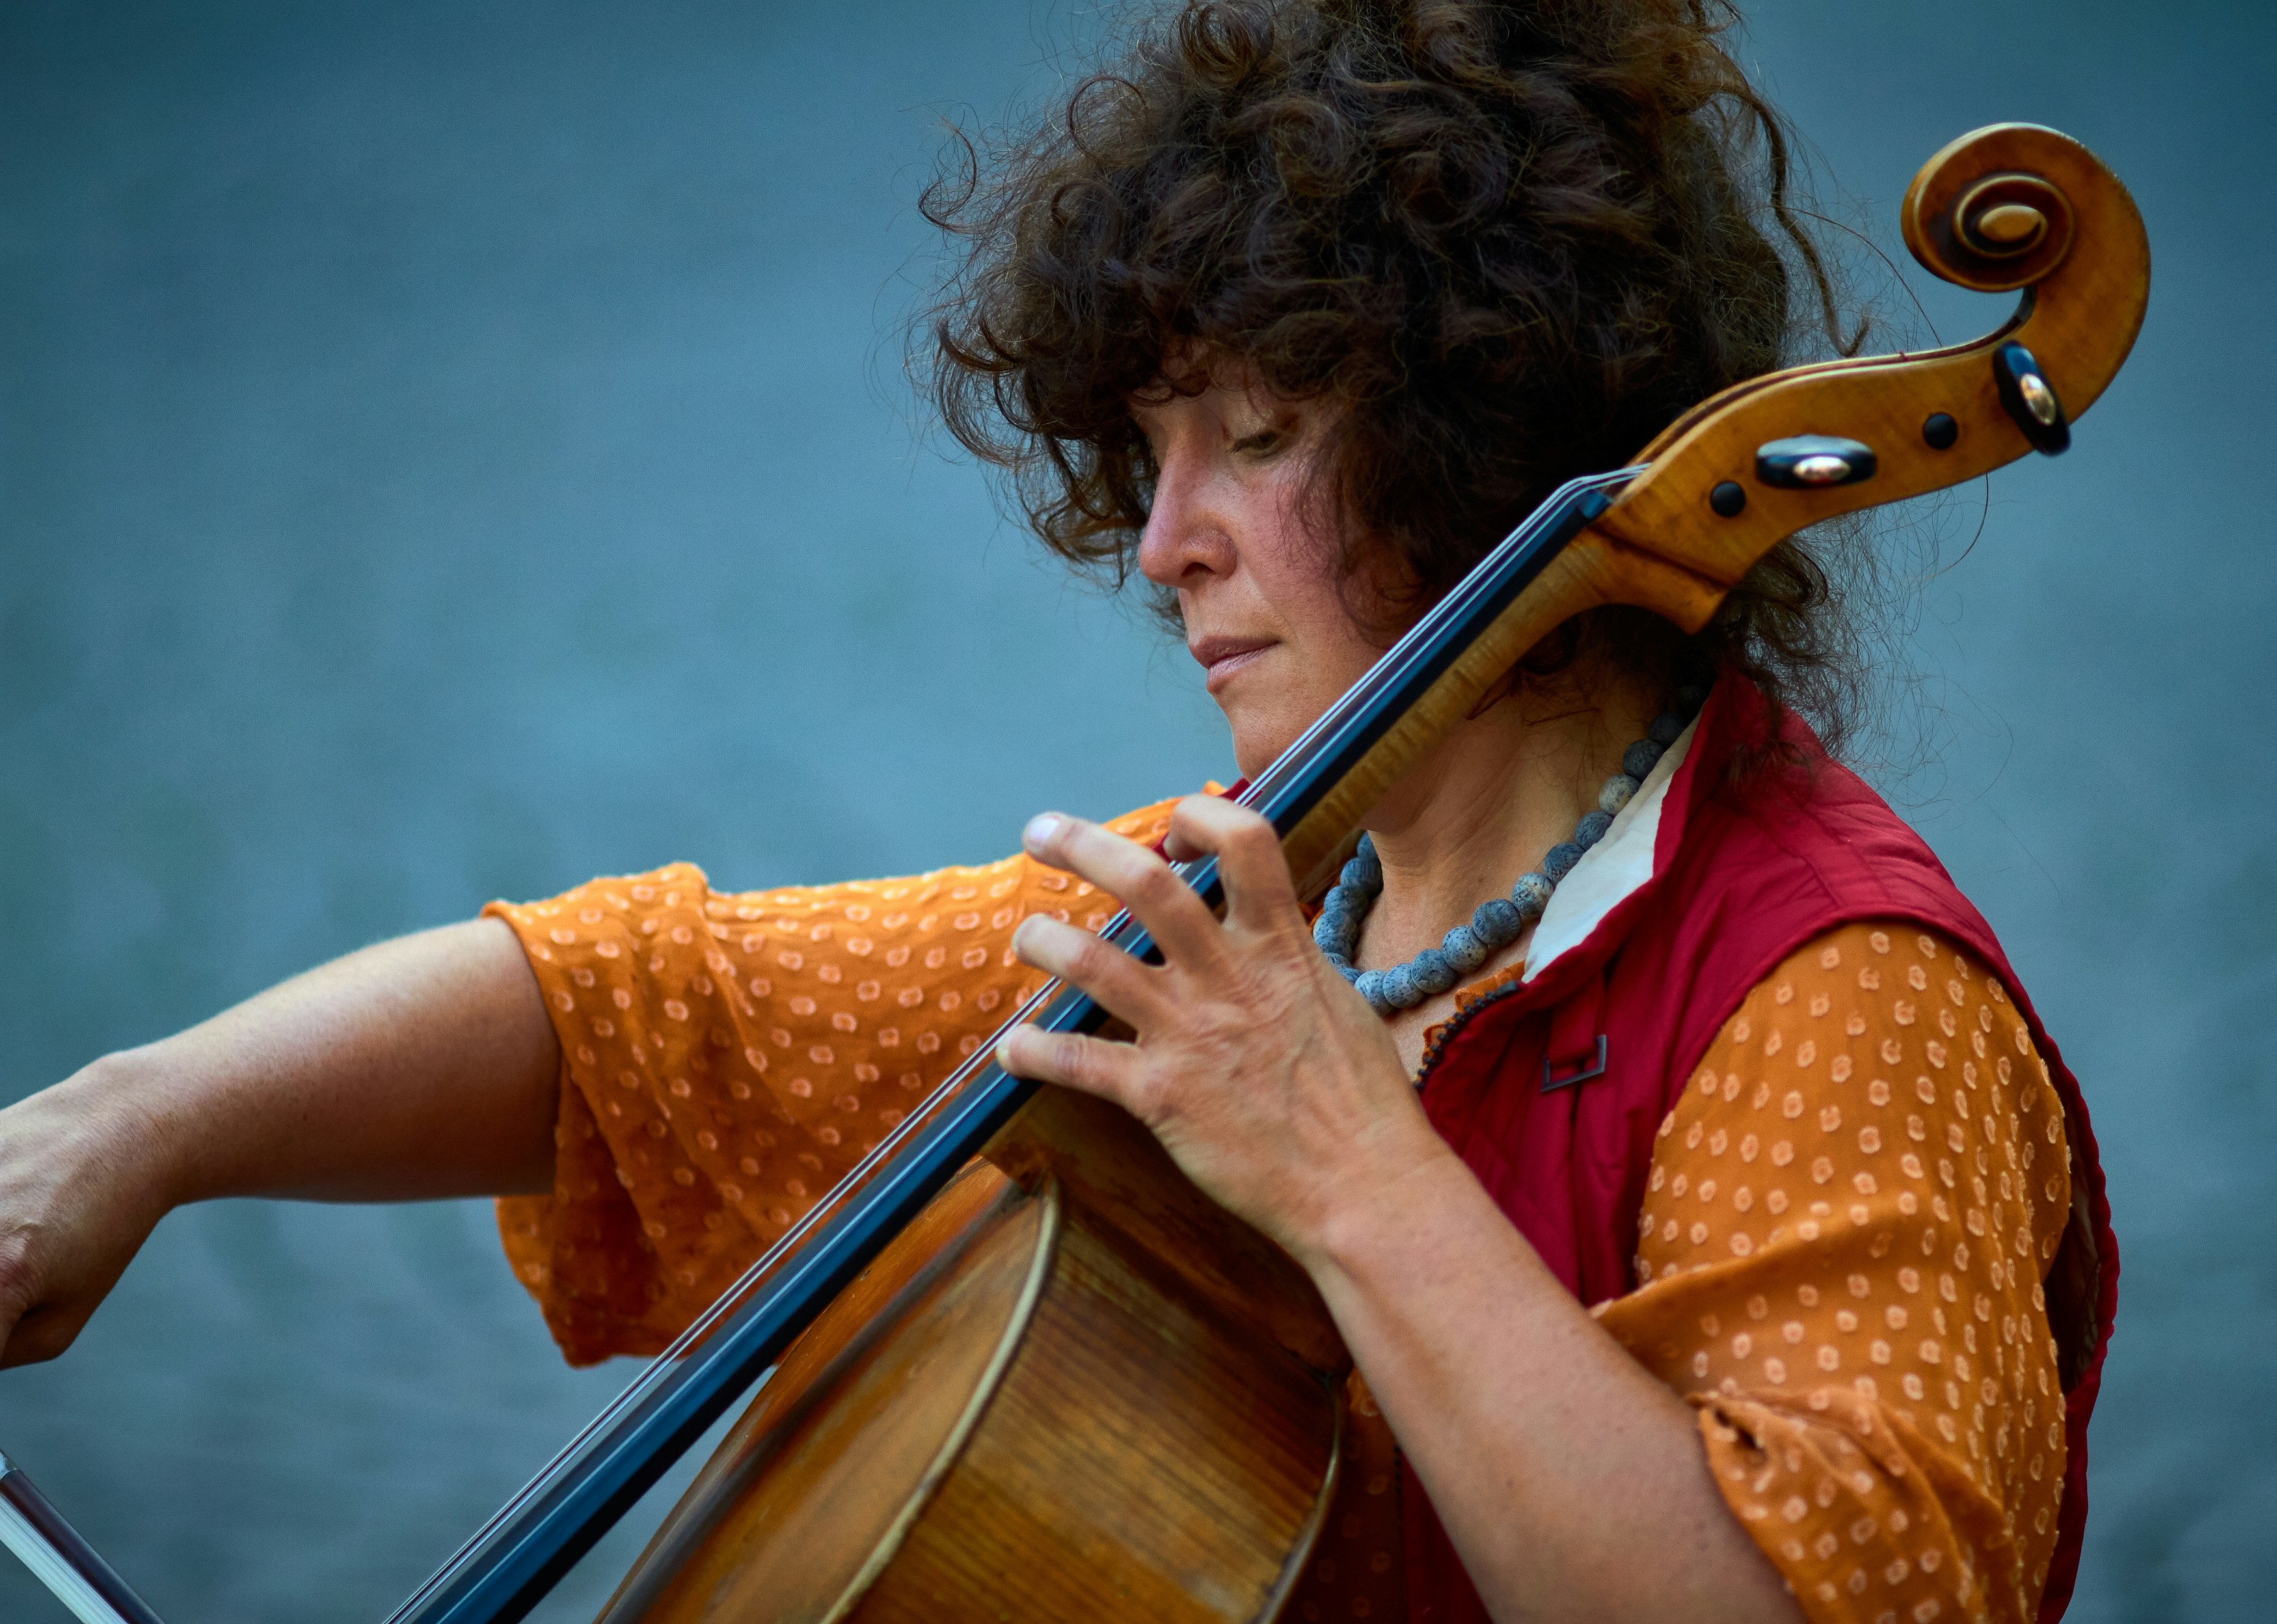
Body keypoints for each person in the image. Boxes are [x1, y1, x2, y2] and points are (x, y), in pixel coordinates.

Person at [0, 3, 2114, 1621]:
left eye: (1256, 435)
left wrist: (1343, 1162)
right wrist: (128, 1130)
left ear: (1497, 435)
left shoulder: (1832, 999)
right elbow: (655, 1020)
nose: (1160, 541)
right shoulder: (1275, 890)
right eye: (1149, 447)